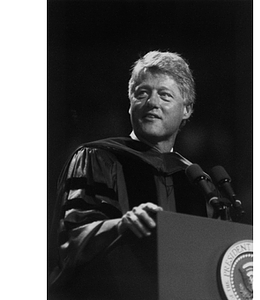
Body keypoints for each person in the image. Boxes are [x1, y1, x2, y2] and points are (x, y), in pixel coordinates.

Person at [48, 50, 217, 300]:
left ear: (187, 109)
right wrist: (121, 225)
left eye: (165, 95)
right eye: (142, 93)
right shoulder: (97, 157)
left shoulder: (196, 181)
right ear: (130, 105)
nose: (152, 102)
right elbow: (71, 240)